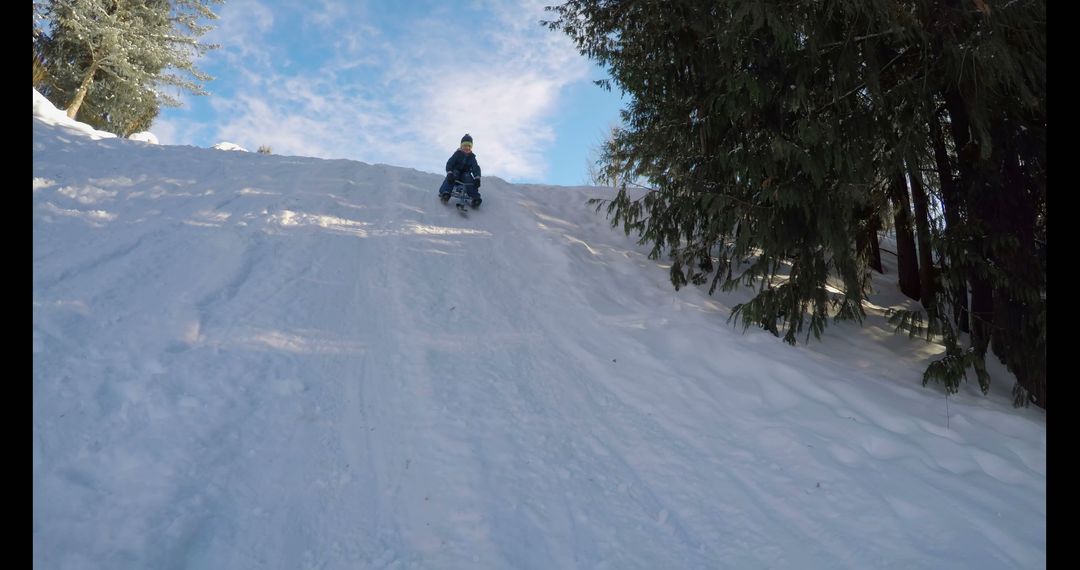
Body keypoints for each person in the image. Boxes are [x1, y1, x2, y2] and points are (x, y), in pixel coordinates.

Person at [438, 134, 482, 207]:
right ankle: (445, 192)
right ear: (461, 146)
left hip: (465, 175)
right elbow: (450, 163)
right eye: (464, 146)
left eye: (469, 146)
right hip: (455, 175)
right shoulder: (457, 154)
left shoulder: (472, 157)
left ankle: (475, 198)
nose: (466, 148)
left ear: (471, 147)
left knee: (468, 176)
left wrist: (477, 178)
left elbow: (475, 167)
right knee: (454, 173)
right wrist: (449, 173)